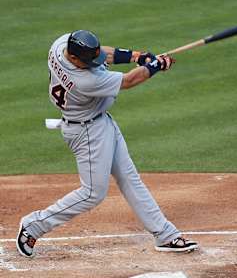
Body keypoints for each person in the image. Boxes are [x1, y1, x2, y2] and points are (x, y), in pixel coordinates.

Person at [16, 30, 198, 258]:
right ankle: (34, 225)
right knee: (92, 193)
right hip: (87, 133)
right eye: (88, 61)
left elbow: (103, 54)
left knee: (129, 178)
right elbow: (130, 80)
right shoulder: (84, 80)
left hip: (99, 123)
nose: (93, 62)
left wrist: (138, 56)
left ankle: (165, 234)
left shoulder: (60, 45)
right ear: (73, 58)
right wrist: (155, 66)